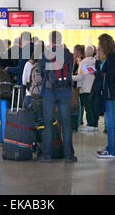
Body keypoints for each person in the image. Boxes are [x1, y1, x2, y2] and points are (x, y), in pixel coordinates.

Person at [38, 31, 76, 163]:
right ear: (60, 40)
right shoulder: (69, 55)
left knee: (48, 124)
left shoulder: (45, 55)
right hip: (65, 92)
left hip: (49, 92)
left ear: (50, 40)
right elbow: (71, 70)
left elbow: (43, 73)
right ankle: (69, 156)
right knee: (66, 124)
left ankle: (46, 155)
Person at [96, 34, 115, 159]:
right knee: (109, 121)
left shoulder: (111, 58)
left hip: (109, 93)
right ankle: (110, 147)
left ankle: (112, 151)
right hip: (109, 93)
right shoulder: (110, 57)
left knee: (110, 123)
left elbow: (109, 76)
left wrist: (99, 73)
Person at [75, 45, 97, 131]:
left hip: (85, 88)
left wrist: (70, 77)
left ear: (85, 53)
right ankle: (94, 125)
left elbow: (80, 77)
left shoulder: (84, 62)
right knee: (93, 107)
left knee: (88, 108)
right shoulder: (95, 61)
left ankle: (90, 125)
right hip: (94, 88)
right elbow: (94, 72)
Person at [22, 41, 44, 108]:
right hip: (43, 97)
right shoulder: (46, 65)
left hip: (30, 95)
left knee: (28, 117)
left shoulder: (28, 64)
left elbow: (24, 81)